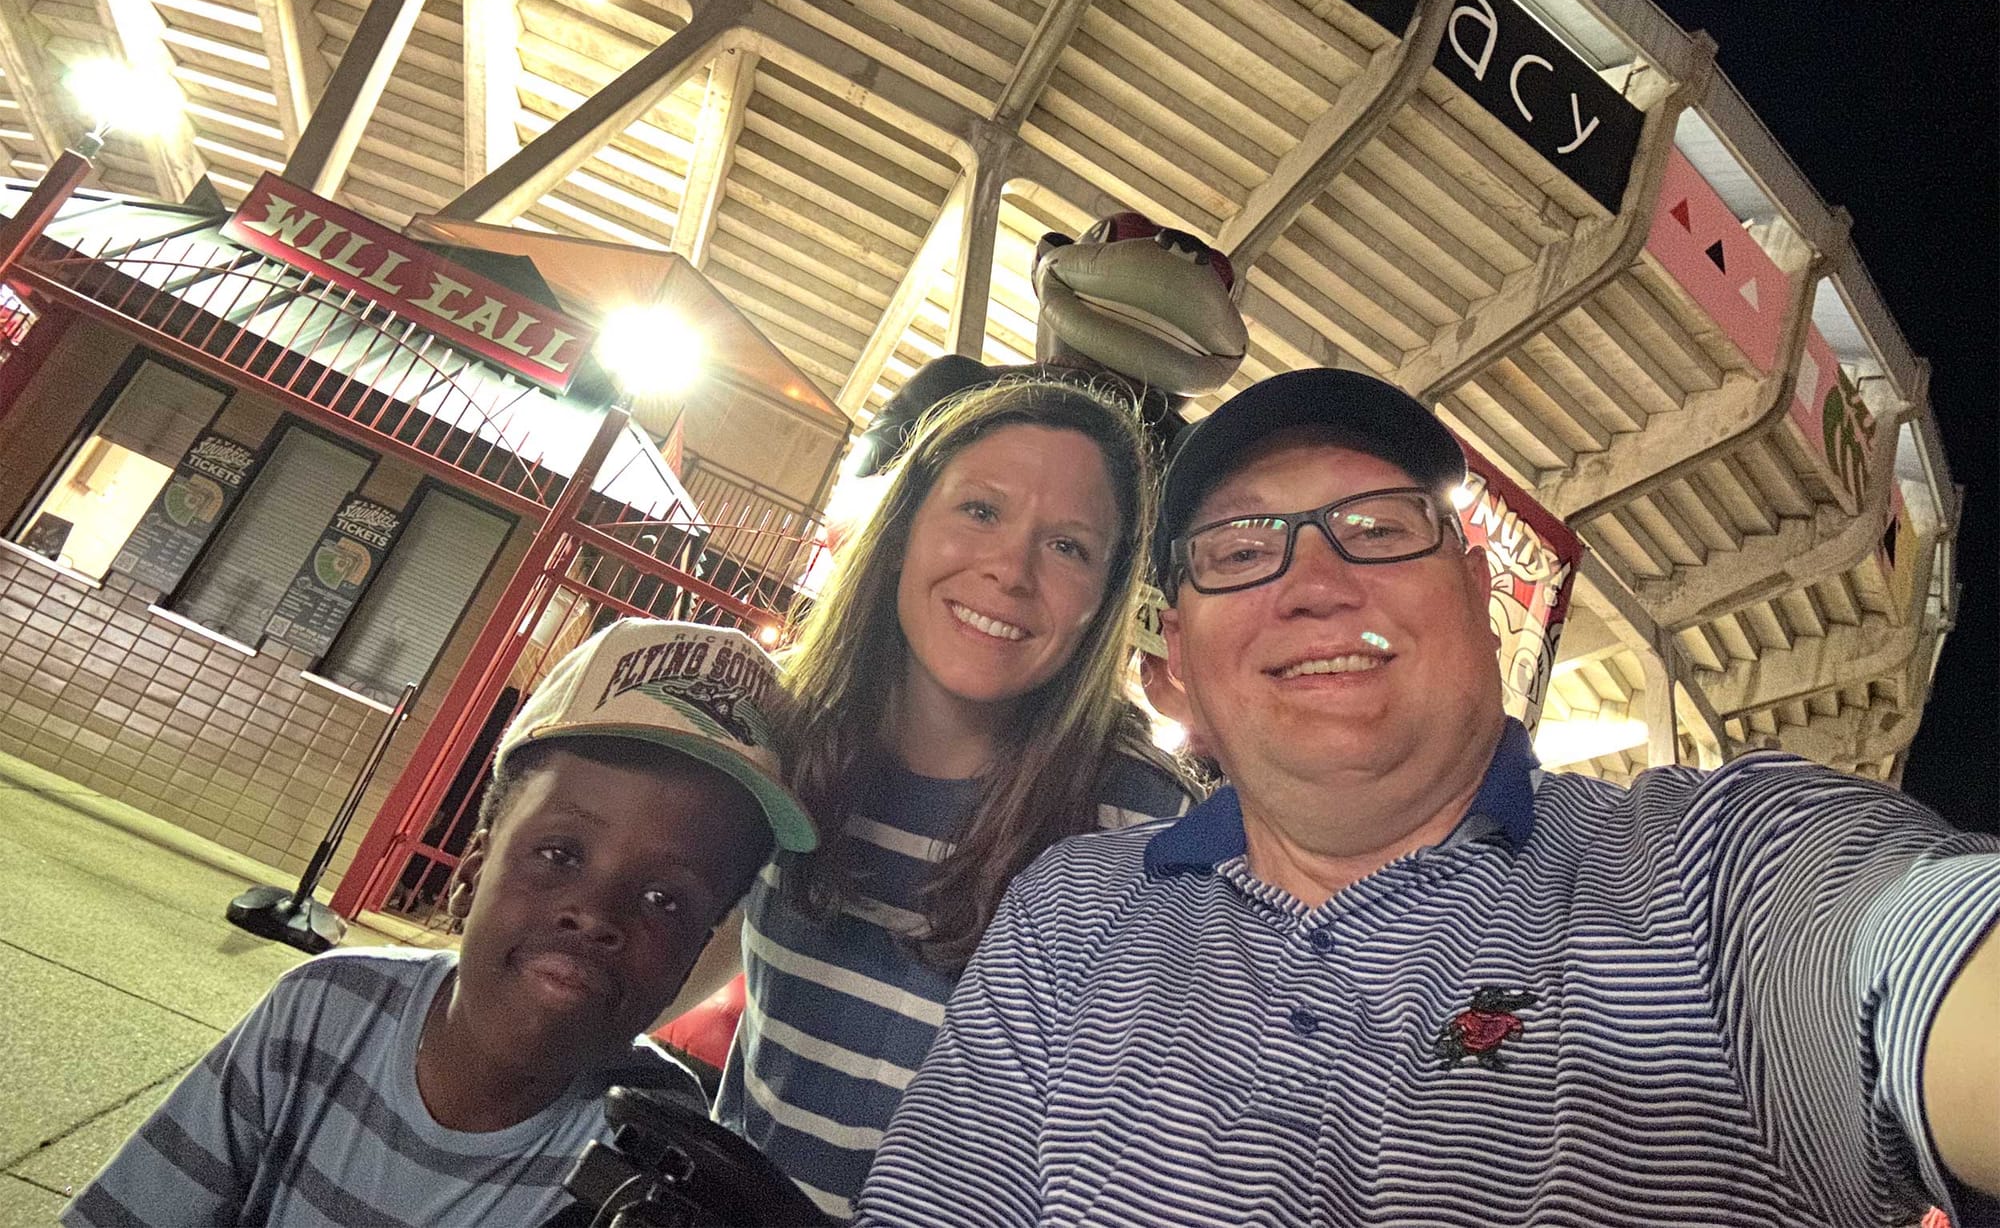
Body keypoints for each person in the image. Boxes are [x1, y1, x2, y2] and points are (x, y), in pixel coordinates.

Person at [856, 367, 2000, 1228]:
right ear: (1182, 665)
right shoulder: (1069, 912)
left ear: (1473, 594)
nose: (1312, 581)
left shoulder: (1712, 870)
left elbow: (1913, 952)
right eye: (1239, 550)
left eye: (1376, 528)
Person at [64, 619, 817, 1228]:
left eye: (665, 900)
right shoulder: (320, 1015)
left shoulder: (656, 1157)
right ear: (467, 876)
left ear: (695, 954)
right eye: (559, 853)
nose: (596, 913)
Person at [700, 377, 1194, 1220]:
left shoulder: (1147, 829)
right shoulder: (781, 742)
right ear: (903, 531)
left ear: (1103, 603)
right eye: (980, 511)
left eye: (1069, 547)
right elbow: (664, 954)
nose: (1010, 571)